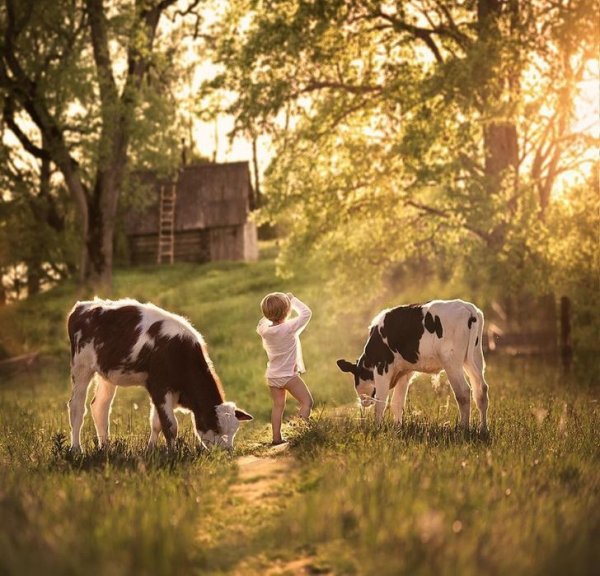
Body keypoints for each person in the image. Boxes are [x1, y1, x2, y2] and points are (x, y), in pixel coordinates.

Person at [257, 292, 314, 445]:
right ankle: (300, 432)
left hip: (273, 377)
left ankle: (276, 438)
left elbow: (263, 321)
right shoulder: (289, 327)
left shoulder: (264, 330)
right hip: (289, 376)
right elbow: (306, 313)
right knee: (306, 402)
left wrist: (270, 311)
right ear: (287, 311)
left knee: (278, 406)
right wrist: (292, 299)